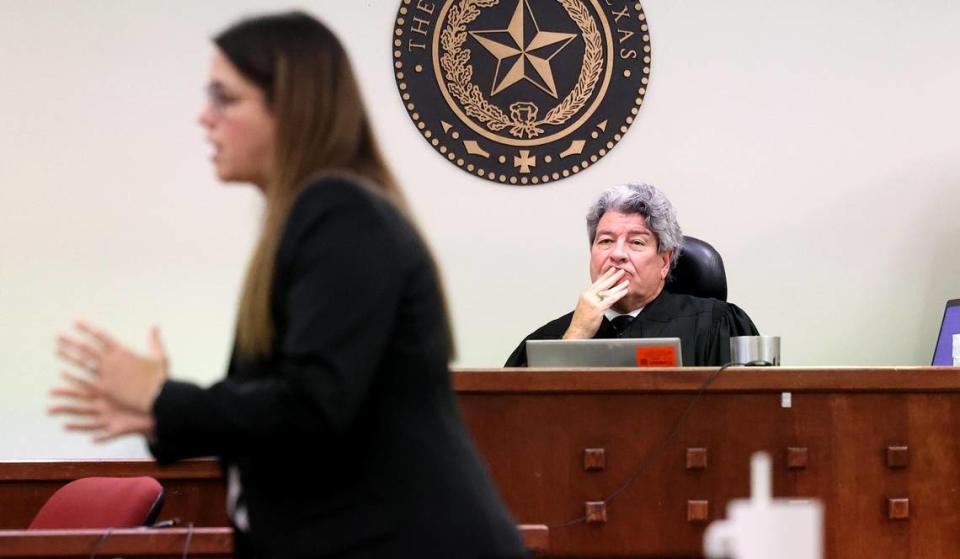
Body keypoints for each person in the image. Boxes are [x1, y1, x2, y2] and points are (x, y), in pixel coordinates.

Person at [49, 12, 525, 559]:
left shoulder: (341, 213)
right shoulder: (312, 216)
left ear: (291, 108)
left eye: (224, 98)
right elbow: (287, 410)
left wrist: (166, 400)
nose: (204, 118)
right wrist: (161, 412)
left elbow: (312, 407)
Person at [505, 182, 758, 367]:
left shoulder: (716, 324)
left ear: (664, 261)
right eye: (605, 241)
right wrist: (575, 338)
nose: (617, 254)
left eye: (636, 242)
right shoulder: (551, 339)